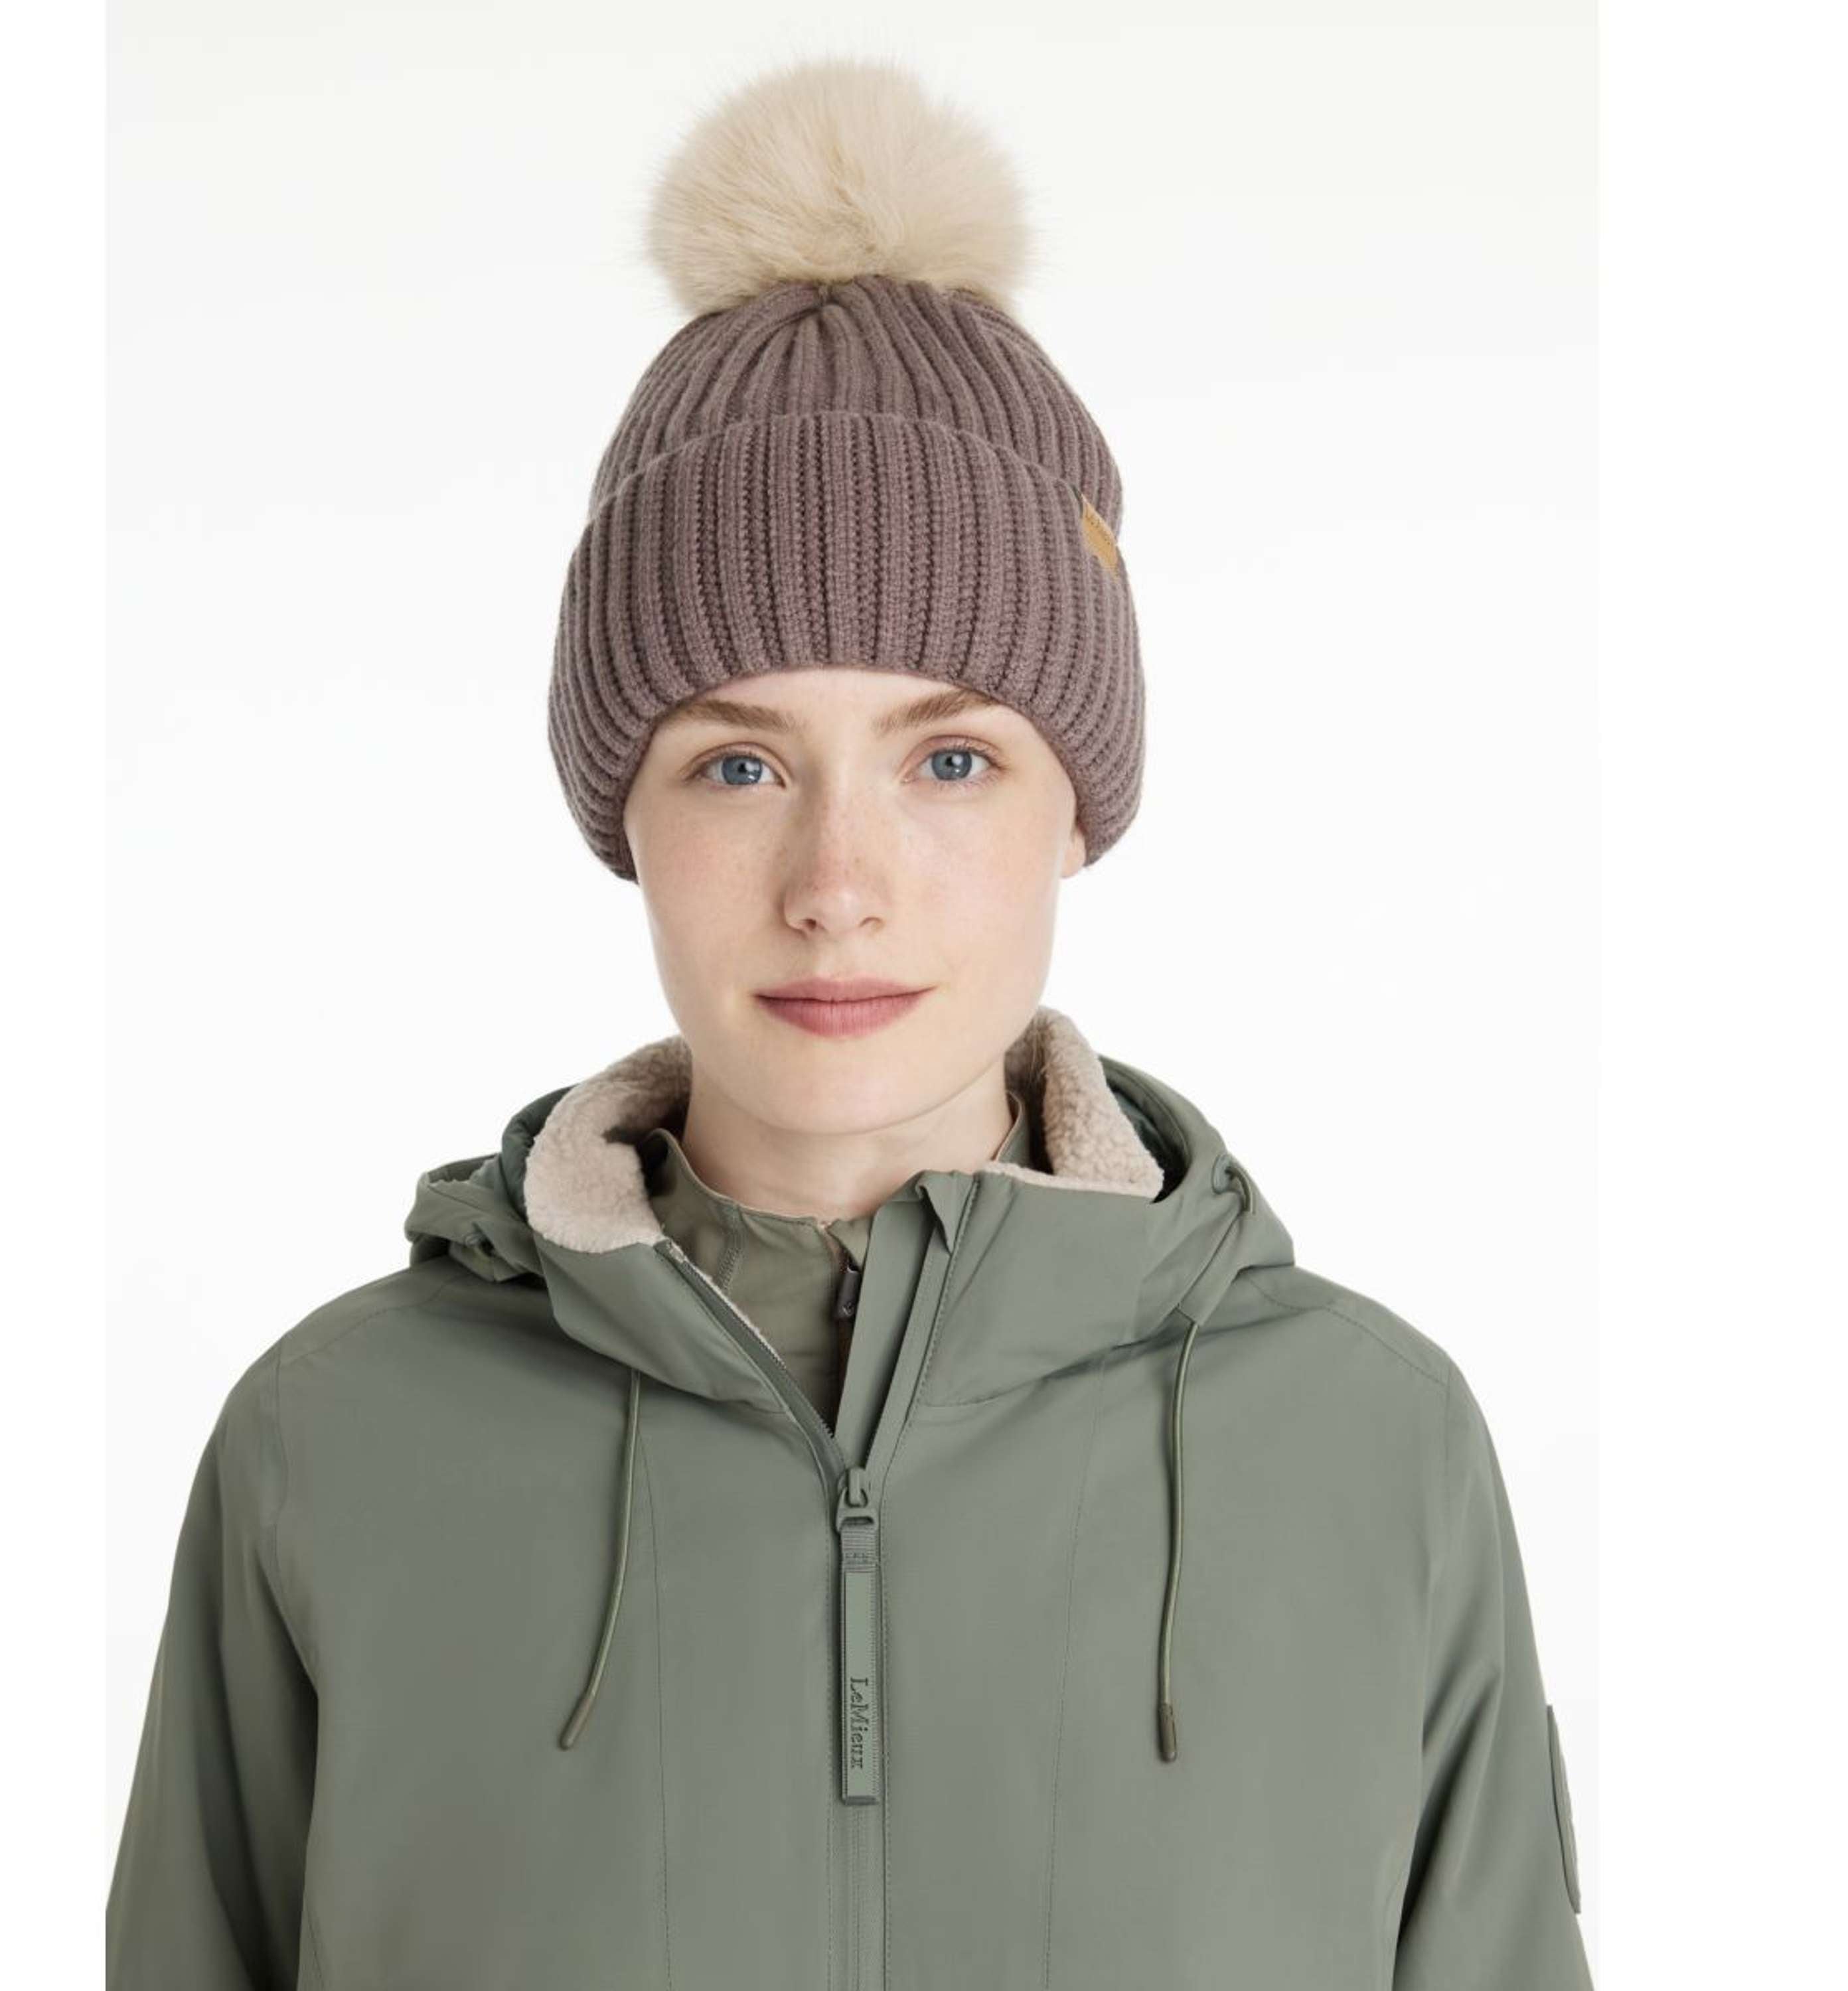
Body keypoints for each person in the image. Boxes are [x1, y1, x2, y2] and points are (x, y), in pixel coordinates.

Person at [108, 55, 1594, 1990]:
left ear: (1079, 808)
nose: (837, 882)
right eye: (737, 766)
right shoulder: (335, 1446)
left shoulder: (1370, 1451)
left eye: (950, 760)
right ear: (624, 820)